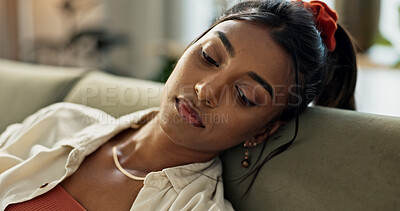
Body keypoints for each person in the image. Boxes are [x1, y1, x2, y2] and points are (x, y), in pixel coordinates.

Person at [0, 0, 357, 210]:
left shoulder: (194, 206)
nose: (205, 90)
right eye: (209, 57)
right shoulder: (58, 121)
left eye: (245, 95)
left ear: (264, 130)